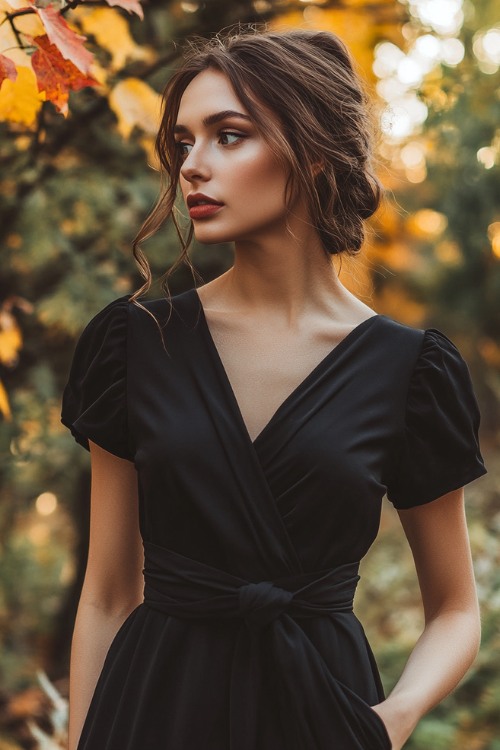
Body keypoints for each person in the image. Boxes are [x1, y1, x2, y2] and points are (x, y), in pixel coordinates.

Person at [60, 28, 487, 750]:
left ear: (313, 152)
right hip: (154, 712)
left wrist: (391, 721)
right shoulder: (135, 345)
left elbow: (455, 608)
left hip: (324, 720)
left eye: (228, 136)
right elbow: (106, 593)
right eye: (183, 144)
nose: (192, 167)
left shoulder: (412, 373)